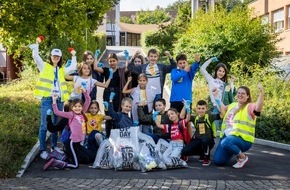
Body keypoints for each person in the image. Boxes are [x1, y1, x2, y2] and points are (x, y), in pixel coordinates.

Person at [29, 36, 70, 160]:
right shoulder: (45, 67)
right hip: (47, 99)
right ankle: (42, 149)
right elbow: (36, 58)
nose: (56, 58)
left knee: (56, 125)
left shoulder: (62, 70)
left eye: (58, 56)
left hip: (58, 100)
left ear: (60, 58)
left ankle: (53, 147)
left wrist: (73, 55)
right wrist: (36, 44)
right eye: (54, 56)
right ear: (51, 57)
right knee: (44, 125)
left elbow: (73, 67)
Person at [213, 84, 264, 168]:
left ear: (248, 96)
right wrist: (216, 97)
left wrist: (261, 93)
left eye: (243, 93)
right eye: (239, 93)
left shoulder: (250, 106)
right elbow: (222, 109)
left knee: (226, 142)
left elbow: (258, 108)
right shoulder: (233, 105)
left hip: (243, 140)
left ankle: (242, 157)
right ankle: (235, 151)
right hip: (227, 136)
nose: (240, 95)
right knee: (218, 161)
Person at [43, 89, 96, 170]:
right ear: (72, 108)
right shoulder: (71, 115)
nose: (78, 108)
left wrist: (84, 91)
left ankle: (58, 156)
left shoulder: (82, 113)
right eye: (75, 106)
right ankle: (56, 163)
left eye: (79, 106)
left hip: (77, 143)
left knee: (89, 158)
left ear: (82, 107)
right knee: (75, 165)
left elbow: (88, 100)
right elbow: (57, 112)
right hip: (71, 143)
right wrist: (54, 100)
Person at [181, 100, 220, 166]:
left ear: (206, 109)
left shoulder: (210, 116)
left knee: (205, 141)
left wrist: (219, 103)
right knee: (184, 151)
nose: (201, 110)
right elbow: (182, 117)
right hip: (198, 139)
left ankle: (206, 158)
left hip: (208, 140)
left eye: (203, 108)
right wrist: (186, 106)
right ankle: (202, 153)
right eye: (199, 108)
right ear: (196, 108)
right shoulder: (195, 117)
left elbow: (222, 115)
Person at [200, 57, 236, 130]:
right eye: (219, 70)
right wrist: (211, 60)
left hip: (226, 108)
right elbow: (202, 69)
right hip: (217, 108)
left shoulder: (225, 84)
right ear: (216, 71)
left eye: (223, 71)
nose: (221, 73)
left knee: (226, 130)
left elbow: (231, 95)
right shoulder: (211, 80)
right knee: (212, 129)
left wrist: (232, 83)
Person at [101, 53, 130, 137]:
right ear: (108, 62)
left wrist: (127, 59)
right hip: (107, 93)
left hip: (117, 94)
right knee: (108, 113)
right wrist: (95, 57)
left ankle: (117, 135)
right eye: (110, 61)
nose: (112, 62)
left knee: (117, 113)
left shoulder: (120, 70)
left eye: (114, 61)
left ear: (117, 61)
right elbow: (95, 68)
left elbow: (127, 69)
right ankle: (108, 135)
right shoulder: (106, 70)